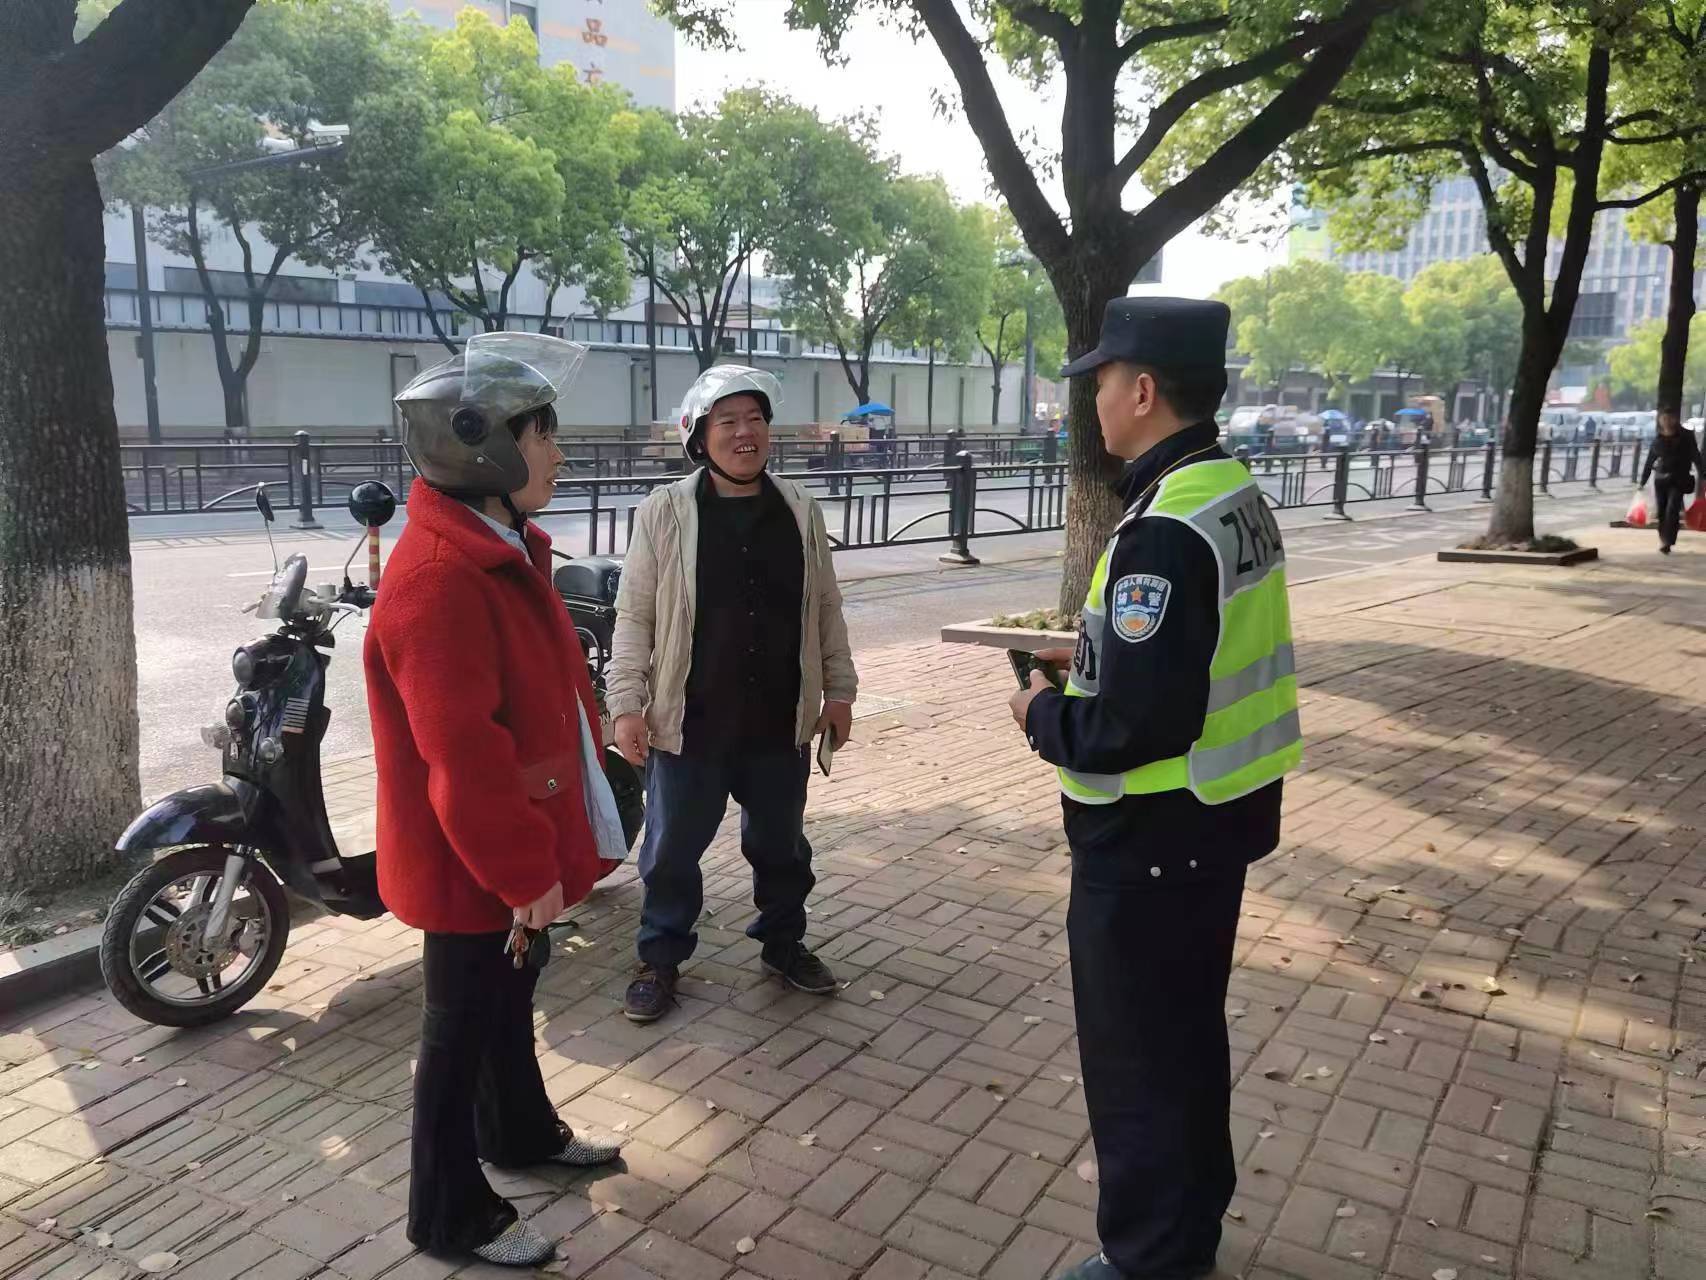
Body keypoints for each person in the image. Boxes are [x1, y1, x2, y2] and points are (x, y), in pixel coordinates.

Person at [1008, 298, 1302, 1280]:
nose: (1090, 398)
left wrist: (1039, 711)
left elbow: (1132, 726)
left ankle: (1145, 1258)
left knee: (1136, 1060)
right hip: (1211, 824)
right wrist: (1092, 658)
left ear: (1141, 390)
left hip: (1149, 839)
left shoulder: (1165, 528)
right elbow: (1185, 660)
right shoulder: (1226, 491)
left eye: (1098, 380)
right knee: (1184, 1041)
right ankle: (1187, 1229)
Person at [367, 333, 625, 1267]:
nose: (558, 451)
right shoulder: (441, 577)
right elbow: (464, 757)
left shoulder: (496, 546)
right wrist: (521, 871)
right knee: (458, 1030)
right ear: (482, 447)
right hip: (470, 858)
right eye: (542, 433)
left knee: (508, 1002)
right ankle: (448, 1214)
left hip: (502, 844)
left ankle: (517, 1132)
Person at [607, 364, 858, 1023]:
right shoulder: (665, 512)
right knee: (670, 851)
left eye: (755, 419)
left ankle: (784, 943)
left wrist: (839, 691)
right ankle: (659, 958)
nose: (746, 432)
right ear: (699, 435)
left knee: (782, 845)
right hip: (692, 720)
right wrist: (625, 704)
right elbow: (634, 616)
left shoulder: (799, 509)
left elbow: (826, 607)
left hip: (779, 717)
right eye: (728, 421)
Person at [1638, 410, 1704, 554]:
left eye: (1669, 418)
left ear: (1675, 419)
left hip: (1679, 479)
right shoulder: (1658, 438)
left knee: (1672, 509)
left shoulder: (1686, 436)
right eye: (1663, 419)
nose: (1666, 422)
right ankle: (1663, 538)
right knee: (1662, 511)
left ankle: (1668, 541)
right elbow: (1650, 460)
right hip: (1661, 479)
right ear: (1660, 421)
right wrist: (1642, 481)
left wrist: (1703, 475)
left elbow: (1696, 456)